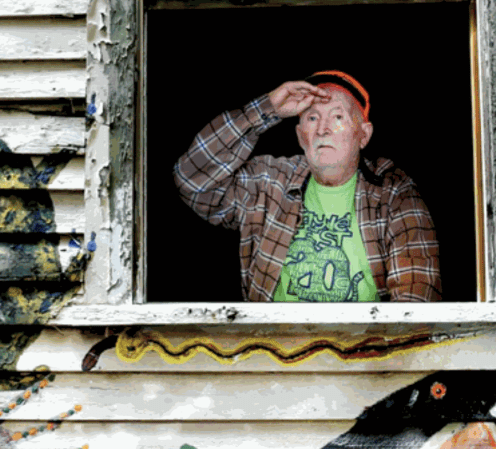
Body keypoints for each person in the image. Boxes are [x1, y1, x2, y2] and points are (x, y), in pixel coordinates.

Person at [174, 71, 440, 302]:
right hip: (272, 354)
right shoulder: (269, 181)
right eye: (312, 118)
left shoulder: (393, 192)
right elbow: (191, 180)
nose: (323, 129)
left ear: (363, 135)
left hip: (364, 354)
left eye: (337, 117)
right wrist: (265, 109)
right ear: (301, 136)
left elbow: (417, 297)